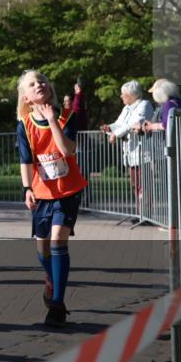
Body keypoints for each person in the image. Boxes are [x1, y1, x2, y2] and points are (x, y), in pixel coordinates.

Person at [16, 70, 88, 329]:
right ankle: (51, 278)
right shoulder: (24, 125)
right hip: (42, 193)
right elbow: (26, 161)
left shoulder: (67, 116)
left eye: (42, 81)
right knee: (42, 249)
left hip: (68, 190)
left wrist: (52, 120)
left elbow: (67, 149)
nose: (39, 85)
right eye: (32, 84)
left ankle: (57, 305)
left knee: (59, 239)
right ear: (26, 96)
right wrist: (27, 188)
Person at [100, 81, 152, 219]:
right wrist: (109, 128)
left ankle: (146, 215)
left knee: (143, 185)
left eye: (123, 94)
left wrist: (114, 134)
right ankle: (141, 213)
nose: (121, 97)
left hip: (143, 153)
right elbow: (119, 123)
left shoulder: (144, 105)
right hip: (131, 153)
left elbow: (133, 123)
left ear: (131, 95)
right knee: (135, 185)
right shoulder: (127, 108)